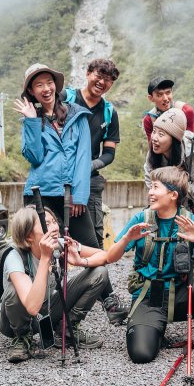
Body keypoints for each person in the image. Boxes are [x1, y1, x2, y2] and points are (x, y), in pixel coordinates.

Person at [76, 166, 194, 363]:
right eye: (150, 187)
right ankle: (155, 329)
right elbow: (110, 257)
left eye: (155, 187)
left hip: (182, 296)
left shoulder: (188, 220)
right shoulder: (141, 219)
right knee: (141, 355)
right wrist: (127, 238)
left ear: (173, 195)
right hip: (148, 297)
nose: (150, 192)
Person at [14, 63, 127, 325]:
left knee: (92, 249)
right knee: (39, 252)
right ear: (31, 91)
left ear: (57, 85)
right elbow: (34, 156)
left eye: (49, 82)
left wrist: (78, 195)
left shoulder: (77, 114)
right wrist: (31, 122)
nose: (46, 88)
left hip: (71, 196)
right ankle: (35, 307)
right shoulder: (33, 120)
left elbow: (83, 157)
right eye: (38, 84)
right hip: (40, 196)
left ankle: (101, 301)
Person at [0, 206, 109, 363]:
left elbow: (105, 256)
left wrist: (81, 261)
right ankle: (22, 338)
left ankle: (66, 331)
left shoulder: (59, 242)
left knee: (99, 273)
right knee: (14, 290)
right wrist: (45, 259)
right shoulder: (14, 256)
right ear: (29, 236)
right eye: (47, 223)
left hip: (45, 310)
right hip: (14, 320)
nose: (55, 227)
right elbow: (31, 307)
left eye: (54, 221)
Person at [66, 58, 122, 249]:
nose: (102, 82)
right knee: (54, 231)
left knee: (94, 237)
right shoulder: (67, 99)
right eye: (99, 75)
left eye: (108, 79)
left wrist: (88, 166)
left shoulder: (109, 112)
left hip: (90, 179)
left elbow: (109, 153)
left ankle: (94, 278)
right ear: (88, 73)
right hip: (60, 175)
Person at [143, 108, 194, 226]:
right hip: (167, 211)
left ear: (174, 139)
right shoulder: (153, 152)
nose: (154, 138)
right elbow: (150, 181)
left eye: (161, 134)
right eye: (154, 131)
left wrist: (168, 186)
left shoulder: (193, 153)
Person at [142, 76, 194, 141]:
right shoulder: (149, 119)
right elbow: (152, 147)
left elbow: (191, 141)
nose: (165, 98)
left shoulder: (186, 111)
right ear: (151, 98)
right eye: (159, 95)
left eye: (168, 93)